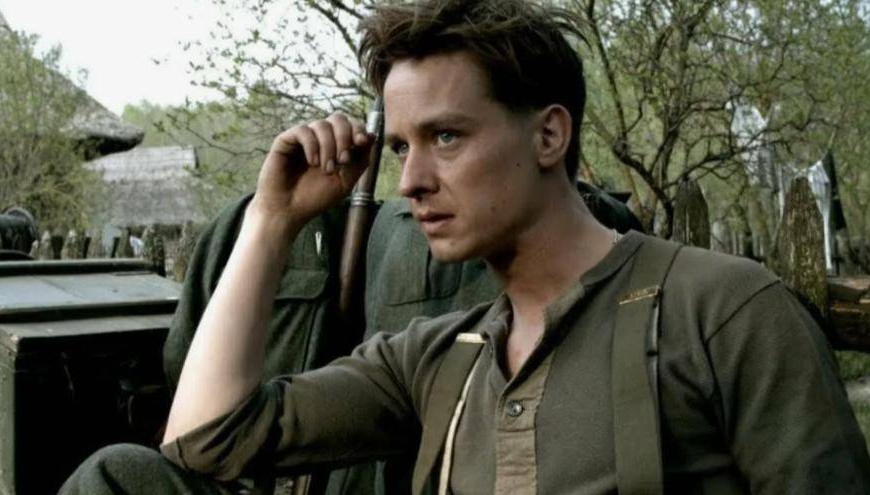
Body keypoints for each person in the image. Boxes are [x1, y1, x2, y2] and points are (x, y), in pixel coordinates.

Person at [61, 1, 870, 494]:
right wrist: (273, 221)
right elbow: (205, 441)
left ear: (548, 134)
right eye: (400, 146)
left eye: (445, 137)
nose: (411, 181)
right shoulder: (435, 358)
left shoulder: (724, 312)